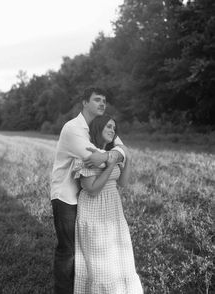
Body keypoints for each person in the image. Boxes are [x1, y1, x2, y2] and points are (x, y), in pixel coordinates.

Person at [50, 87, 125, 294]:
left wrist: (116, 154)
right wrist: (115, 156)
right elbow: (96, 157)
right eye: (97, 100)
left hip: (84, 195)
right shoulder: (73, 128)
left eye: (104, 100)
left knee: (84, 250)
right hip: (66, 195)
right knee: (69, 250)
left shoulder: (99, 125)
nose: (102, 104)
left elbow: (122, 149)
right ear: (84, 102)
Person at [73, 115, 144, 294]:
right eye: (108, 126)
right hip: (93, 208)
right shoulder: (87, 152)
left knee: (118, 256)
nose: (112, 130)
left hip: (113, 208)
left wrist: (127, 158)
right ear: (98, 128)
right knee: (100, 264)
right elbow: (92, 189)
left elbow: (123, 183)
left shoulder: (113, 152)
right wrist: (111, 165)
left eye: (114, 127)